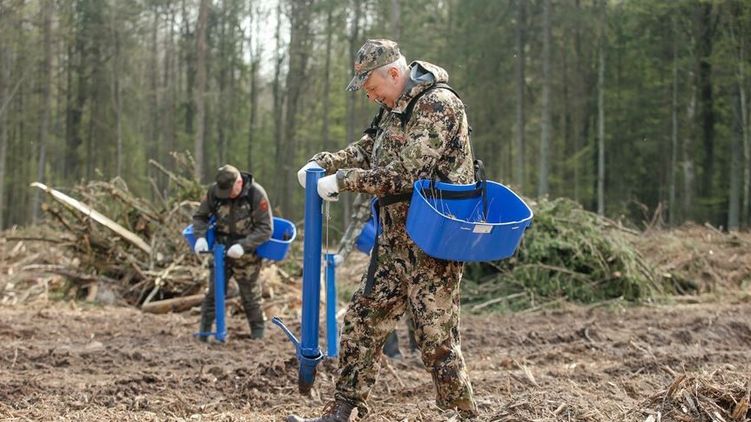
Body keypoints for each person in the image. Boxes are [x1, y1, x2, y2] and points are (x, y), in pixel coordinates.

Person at [289, 39, 478, 421]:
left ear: (394, 73)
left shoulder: (438, 105)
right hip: (393, 242)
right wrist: (324, 163)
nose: (371, 96)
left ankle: (462, 414)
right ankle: (343, 409)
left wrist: (343, 181)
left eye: (373, 88)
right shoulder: (392, 109)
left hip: (433, 243)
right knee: (363, 320)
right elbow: (367, 148)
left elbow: (407, 174)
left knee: (435, 338)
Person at [192, 164, 273, 341]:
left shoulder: (255, 194)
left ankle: (258, 336)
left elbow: (266, 228)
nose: (227, 195)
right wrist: (200, 237)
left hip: (246, 254)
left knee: (251, 297)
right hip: (220, 250)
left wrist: (244, 246)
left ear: (239, 182)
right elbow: (200, 217)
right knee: (213, 293)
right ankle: (204, 334)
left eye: (229, 191)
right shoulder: (215, 192)